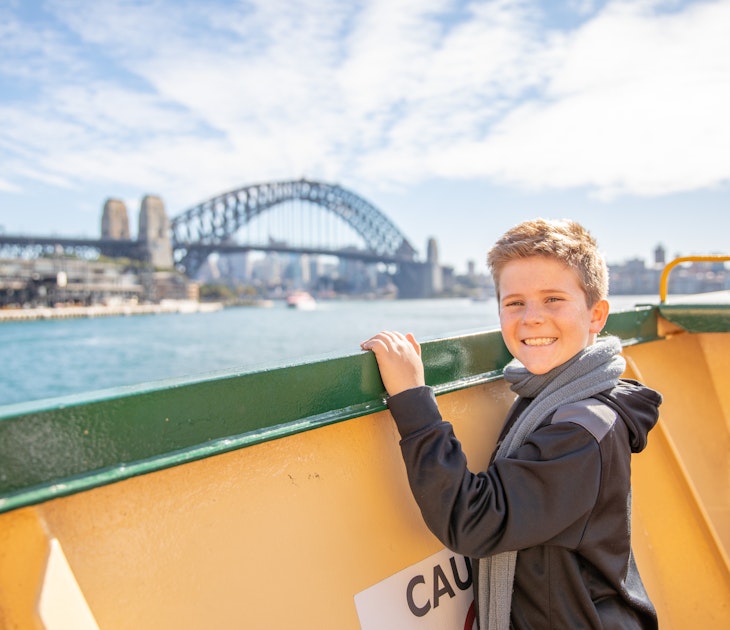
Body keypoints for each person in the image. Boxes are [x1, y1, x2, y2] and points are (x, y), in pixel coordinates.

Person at [360, 218, 661, 629]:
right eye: (514, 302)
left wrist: (411, 396)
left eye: (553, 299)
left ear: (596, 315)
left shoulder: (584, 431)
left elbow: (474, 521)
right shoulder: (556, 395)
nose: (531, 318)